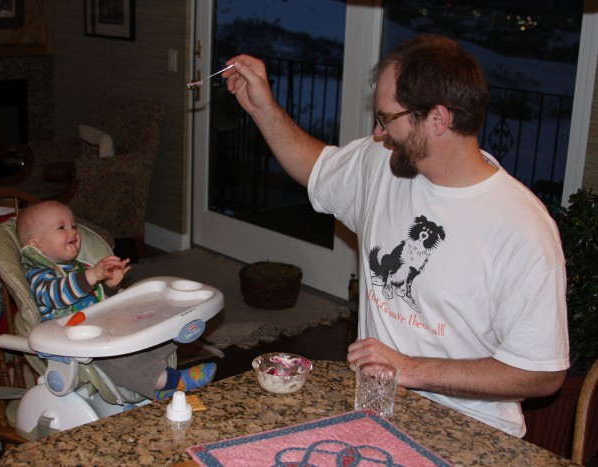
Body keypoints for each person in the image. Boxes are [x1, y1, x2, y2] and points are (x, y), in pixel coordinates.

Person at [223, 33, 569, 437]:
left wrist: (410, 369)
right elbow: (316, 168)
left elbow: (541, 373)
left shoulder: (522, 229)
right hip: (377, 410)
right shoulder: (383, 164)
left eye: (387, 118)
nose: (377, 133)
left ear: (438, 120)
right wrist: (264, 109)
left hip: (472, 430)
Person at [16, 200, 216, 401]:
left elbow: (99, 303)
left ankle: (153, 376)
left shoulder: (78, 267)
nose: (73, 232)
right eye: (62, 227)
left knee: (150, 334)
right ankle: (171, 382)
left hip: (103, 332)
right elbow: (55, 297)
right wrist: (91, 275)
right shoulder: (39, 274)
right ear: (37, 246)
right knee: (116, 362)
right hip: (77, 350)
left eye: (73, 226)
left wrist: (110, 287)